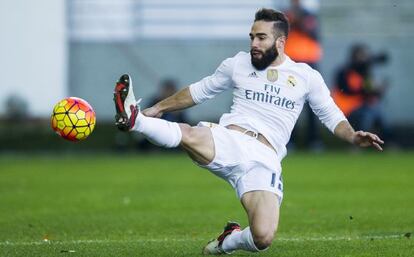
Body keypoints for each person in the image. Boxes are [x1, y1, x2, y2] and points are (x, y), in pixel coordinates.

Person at [113, 9, 384, 255]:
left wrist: (352, 135)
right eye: (252, 36)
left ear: (280, 42)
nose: (254, 43)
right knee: (190, 134)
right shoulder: (237, 64)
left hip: (265, 159)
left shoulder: (306, 76)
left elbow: (330, 114)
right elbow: (199, 91)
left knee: (263, 237)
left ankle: (228, 241)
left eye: (261, 38)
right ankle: (135, 119)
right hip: (230, 139)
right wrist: (157, 108)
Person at [332, 44, 390, 140]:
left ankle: (386, 142)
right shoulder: (344, 71)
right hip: (345, 109)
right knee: (367, 114)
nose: (364, 59)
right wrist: (366, 88)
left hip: (360, 106)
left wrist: (379, 91)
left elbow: (369, 94)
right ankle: (358, 142)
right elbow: (346, 90)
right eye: (362, 56)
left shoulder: (365, 73)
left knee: (377, 111)